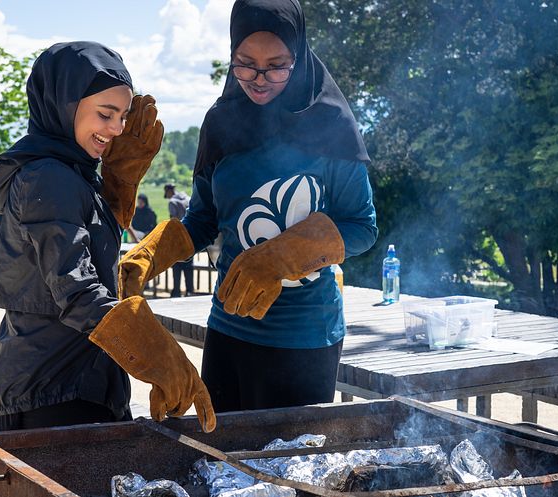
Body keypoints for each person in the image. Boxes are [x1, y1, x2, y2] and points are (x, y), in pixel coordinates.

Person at [119, 0, 377, 413]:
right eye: (244, 63)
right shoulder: (221, 124)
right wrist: (150, 254)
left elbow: (361, 227)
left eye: (277, 65)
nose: (259, 79)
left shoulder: (330, 125)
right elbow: (203, 220)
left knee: (291, 465)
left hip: (305, 337)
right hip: (228, 328)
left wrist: (282, 256)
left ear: (300, 55)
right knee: (221, 466)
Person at [0, 41, 215, 432]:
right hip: (53, 392)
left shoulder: (72, 172)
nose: (118, 130)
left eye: (122, 116)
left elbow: (89, 245)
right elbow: (77, 290)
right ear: (64, 105)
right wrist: (157, 353)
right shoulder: (48, 175)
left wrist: (117, 184)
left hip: (77, 380)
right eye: (105, 114)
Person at [164, 183, 194, 297]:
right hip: (191, 236)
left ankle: (176, 291)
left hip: (178, 237)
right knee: (189, 265)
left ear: (168, 191)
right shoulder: (187, 197)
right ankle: (190, 291)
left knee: (176, 266)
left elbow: (174, 220)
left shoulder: (172, 202)